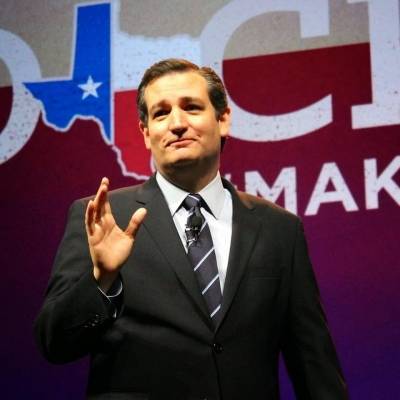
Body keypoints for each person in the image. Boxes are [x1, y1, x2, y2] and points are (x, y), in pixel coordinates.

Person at [35, 59, 349, 400]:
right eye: (161, 113)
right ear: (146, 133)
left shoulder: (279, 229)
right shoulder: (103, 217)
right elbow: (55, 343)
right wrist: (102, 281)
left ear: (223, 119)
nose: (177, 124)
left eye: (191, 108)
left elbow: (314, 364)